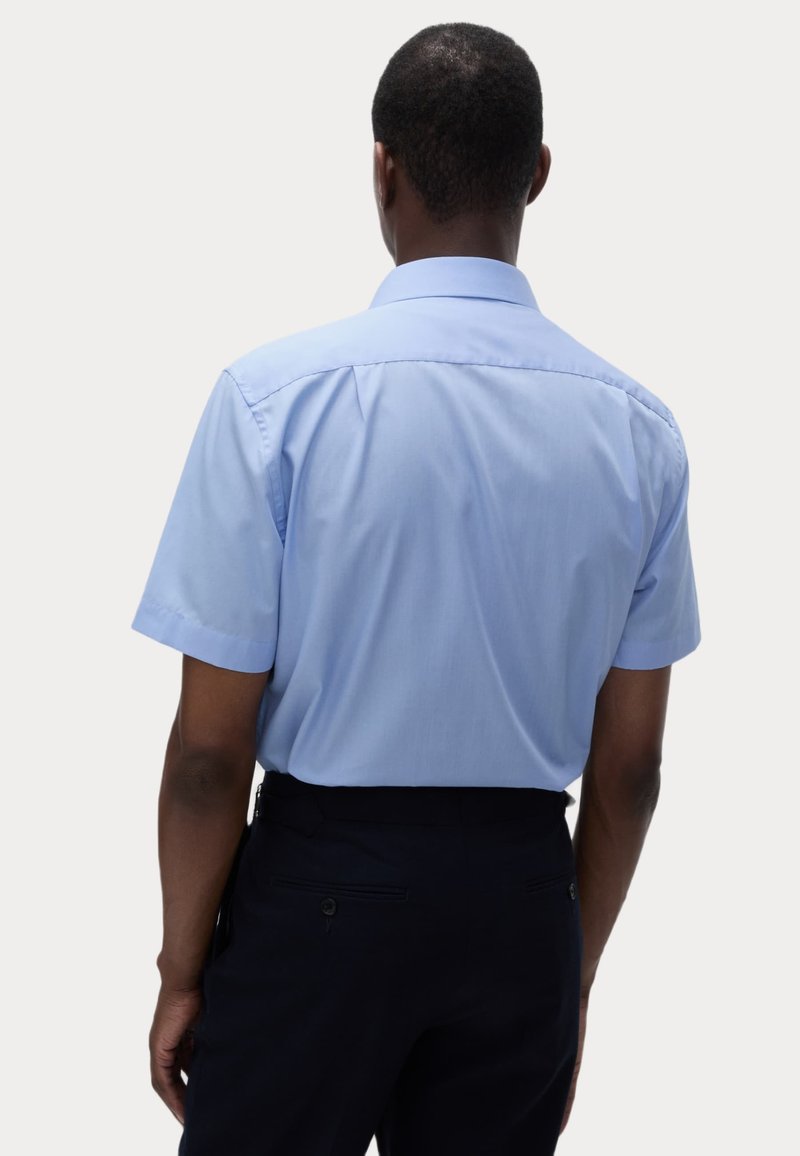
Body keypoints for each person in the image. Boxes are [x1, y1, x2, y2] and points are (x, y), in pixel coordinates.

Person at [131, 21, 701, 1156]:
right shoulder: (638, 432)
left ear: (381, 169)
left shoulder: (273, 403)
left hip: (319, 897)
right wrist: (564, 971)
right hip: (521, 905)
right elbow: (629, 769)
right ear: (537, 173)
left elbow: (207, 753)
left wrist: (182, 967)